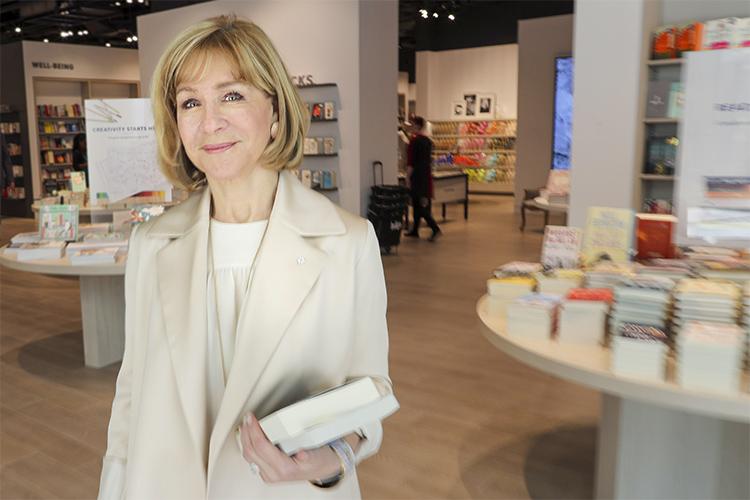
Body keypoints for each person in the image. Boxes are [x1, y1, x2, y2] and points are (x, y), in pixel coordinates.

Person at [98, 15, 392, 499]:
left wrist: (334, 459)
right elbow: (130, 398)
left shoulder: (347, 241)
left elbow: (371, 389)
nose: (210, 121)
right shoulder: (151, 245)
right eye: (191, 102)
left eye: (231, 95)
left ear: (275, 113)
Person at [405, 116, 441, 241]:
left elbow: (411, 162)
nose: (410, 126)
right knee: (418, 203)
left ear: (418, 126)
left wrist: (408, 177)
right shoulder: (428, 141)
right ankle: (415, 230)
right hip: (425, 176)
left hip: (417, 177)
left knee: (420, 206)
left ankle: (435, 228)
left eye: (412, 124)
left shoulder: (414, 142)